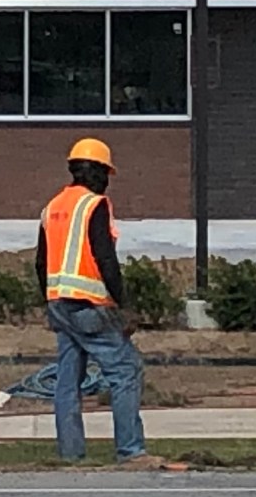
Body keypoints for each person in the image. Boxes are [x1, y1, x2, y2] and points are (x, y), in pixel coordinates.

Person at [35, 138, 161, 468]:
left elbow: (40, 262)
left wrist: (49, 304)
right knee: (125, 370)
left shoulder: (53, 207)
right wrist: (124, 304)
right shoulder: (95, 205)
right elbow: (105, 257)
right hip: (89, 306)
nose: (107, 180)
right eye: (105, 172)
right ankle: (131, 451)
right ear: (97, 172)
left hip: (59, 304)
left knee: (67, 380)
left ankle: (71, 454)